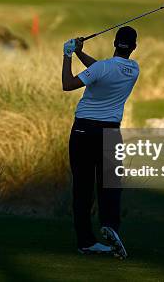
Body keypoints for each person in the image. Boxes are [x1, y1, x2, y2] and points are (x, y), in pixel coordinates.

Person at [61, 26, 140, 259]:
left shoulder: (102, 67)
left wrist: (68, 54)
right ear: (134, 47)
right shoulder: (133, 70)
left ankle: (85, 242)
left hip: (84, 131)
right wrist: (80, 53)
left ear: (115, 43)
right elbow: (101, 70)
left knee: (83, 188)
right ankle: (110, 226)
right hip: (110, 133)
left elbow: (68, 84)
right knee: (110, 185)